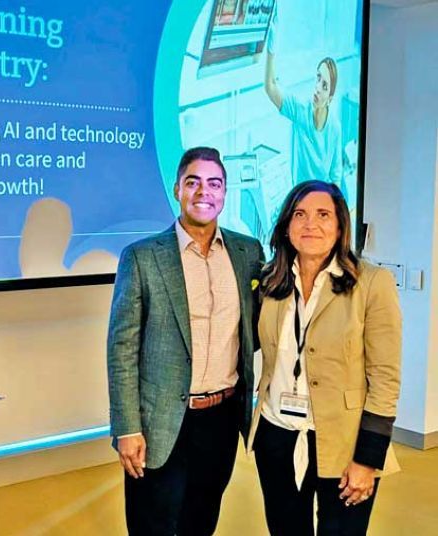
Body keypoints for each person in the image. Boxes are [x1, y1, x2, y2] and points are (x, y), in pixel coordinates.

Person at [107, 146, 265, 535]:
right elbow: (121, 349)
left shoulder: (248, 253)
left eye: (214, 184)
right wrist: (127, 428)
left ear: (225, 193)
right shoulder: (142, 257)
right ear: (177, 189)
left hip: (223, 416)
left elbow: (261, 327)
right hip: (161, 420)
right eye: (193, 182)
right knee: (153, 523)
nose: (203, 192)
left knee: (202, 517)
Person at [249, 180, 401, 535]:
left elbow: (385, 379)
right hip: (277, 435)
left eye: (323, 215)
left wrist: (368, 459)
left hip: (344, 441)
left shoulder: (372, 283)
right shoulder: (270, 282)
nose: (310, 224)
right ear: (287, 226)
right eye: (299, 214)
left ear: (340, 226)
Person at [264, 7, 344, 192]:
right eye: (318, 78)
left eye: (325, 86)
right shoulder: (300, 110)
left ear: (330, 96)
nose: (318, 88)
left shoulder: (334, 128)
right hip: (300, 198)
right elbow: (270, 87)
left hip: (322, 200)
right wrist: (271, 50)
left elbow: (335, 176)